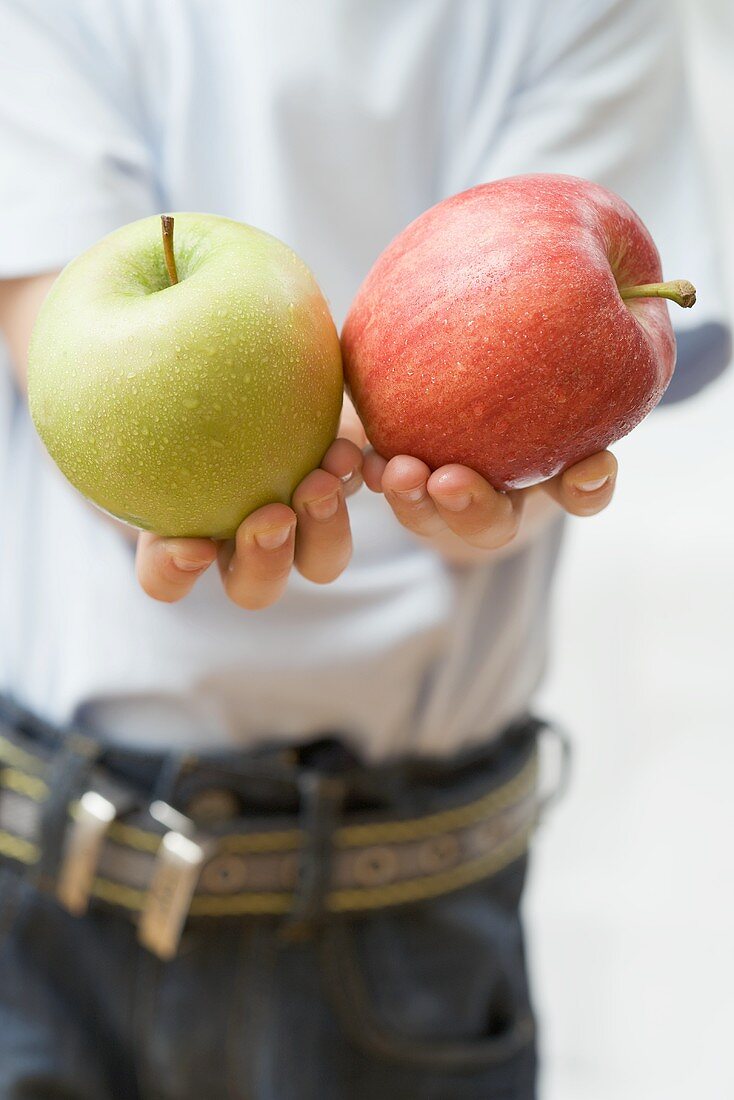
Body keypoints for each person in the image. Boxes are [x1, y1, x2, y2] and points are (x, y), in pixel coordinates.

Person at [0, 1, 729, 1098]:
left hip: (410, 901)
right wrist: (177, 483)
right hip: (51, 877)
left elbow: (567, 356)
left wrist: (502, 493)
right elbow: (68, 351)